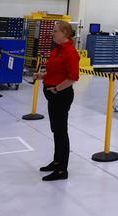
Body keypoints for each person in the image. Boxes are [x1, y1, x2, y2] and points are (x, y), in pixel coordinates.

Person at [34, 21, 80, 181]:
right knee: (56, 130)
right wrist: (43, 76)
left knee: (61, 132)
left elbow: (73, 77)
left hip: (61, 95)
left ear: (64, 33)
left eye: (55, 31)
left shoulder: (70, 52)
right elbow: (55, 70)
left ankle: (62, 170)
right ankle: (56, 161)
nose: (52, 34)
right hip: (52, 94)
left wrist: (57, 89)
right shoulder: (57, 50)